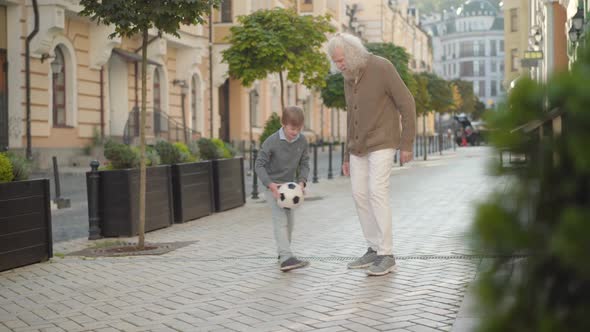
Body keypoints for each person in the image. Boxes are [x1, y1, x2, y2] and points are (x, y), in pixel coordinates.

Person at [327, 33, 416, 276]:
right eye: (335, 62)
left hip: (383, 140)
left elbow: (407, 103)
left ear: (354, 53)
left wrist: (406, 143)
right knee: (359, 194)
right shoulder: (348, 78)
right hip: (358, 145)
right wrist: (346, 155)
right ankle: (374, 248)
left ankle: (387, 254)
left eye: (341, 60)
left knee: (377, 191)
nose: (339, 65)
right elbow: (351, 117)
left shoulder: (382, 67)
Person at [255, 106, 310, 272]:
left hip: (290, 187)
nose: (295, 132)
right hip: (272, 185)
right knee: (280, 220)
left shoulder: (302, 141)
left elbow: (305, 163)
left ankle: (283, 254)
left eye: (299, 129)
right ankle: (286, 258)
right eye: (292, 129)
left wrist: (301, 182)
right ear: (283, 124)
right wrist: (270, 185)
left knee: (290, 223)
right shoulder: (271, 141)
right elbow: (259, 164)